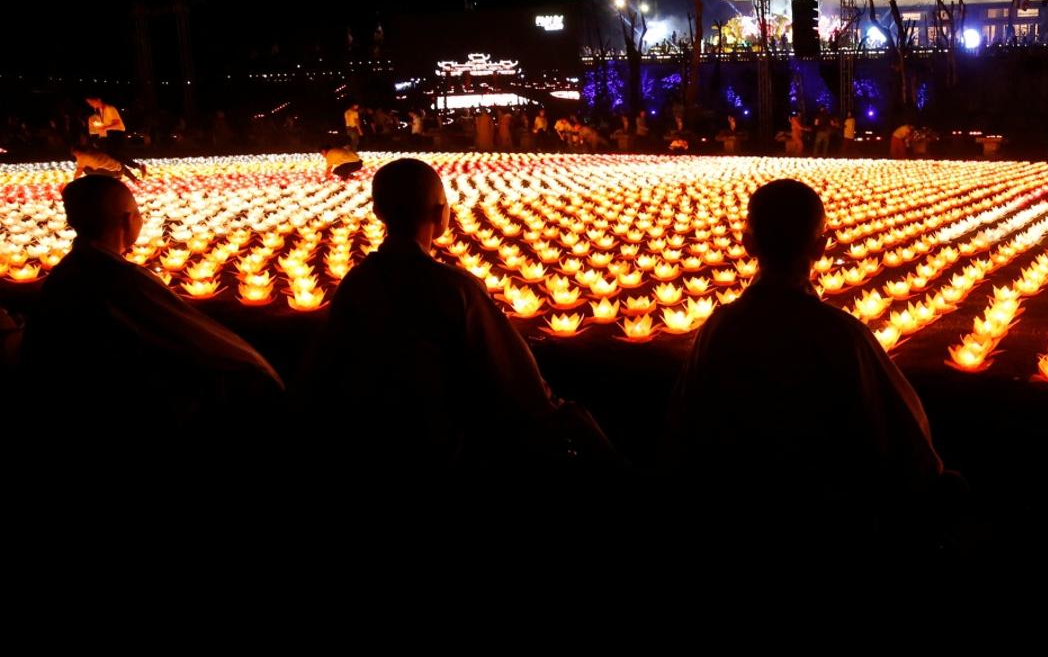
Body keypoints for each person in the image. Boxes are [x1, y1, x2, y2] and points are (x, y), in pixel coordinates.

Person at [669, 179, 948, 549]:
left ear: (747, 243)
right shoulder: (842, 336)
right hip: (825, 534)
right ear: (821, 245)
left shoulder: (718, 329)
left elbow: (682, 438)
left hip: (730, 531)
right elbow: (912, 449)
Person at [298, 158, 610, 478]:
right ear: (440, 213)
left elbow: (323, 370)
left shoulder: (355, 283)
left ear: (378, 213)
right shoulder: (455, 289)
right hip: (441, 459)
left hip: (363, 457)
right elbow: (520, 385)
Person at [15, 175, 283, 477]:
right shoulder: (118, 279)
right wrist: (261, 369)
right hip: (120, 421)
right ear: (128, 220)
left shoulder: (70, 271)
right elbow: (198, 338)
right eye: (139, 212)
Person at [85, 96, 146, 178]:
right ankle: (133, 171)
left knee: (114, 156)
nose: (91, 104)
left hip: (116, 134)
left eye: (92, 102)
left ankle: (133, 171)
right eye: (89, 103)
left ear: (99, 100)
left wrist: (105, 127)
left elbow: (117, 123)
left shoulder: (109, 108)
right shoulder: (98, 111)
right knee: (113, 156)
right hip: (107, 136)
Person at [72, 146, 137, 183]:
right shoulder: (96, 151)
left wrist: (74, 180)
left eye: (75, 154)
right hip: (120, 170)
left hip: (112, 174)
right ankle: (120, 179)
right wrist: (133, 178)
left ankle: (109, 181)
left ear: (77, 152)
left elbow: (79, 171)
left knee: (86, 169)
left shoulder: (82, 157)